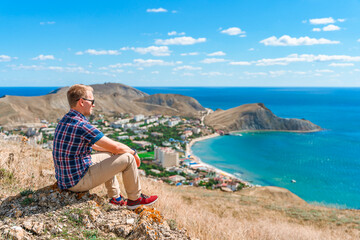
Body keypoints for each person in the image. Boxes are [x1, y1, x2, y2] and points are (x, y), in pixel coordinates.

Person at [52, 84, 158, 209]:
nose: (94, 105)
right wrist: (133, 154)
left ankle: (116, 198)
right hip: (78, 182)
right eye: (92, 101)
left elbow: (97, 146)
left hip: (66, 179)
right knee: (128, 159)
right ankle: (135, 199)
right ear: (81, 102)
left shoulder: (66, 119)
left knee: (108, 154)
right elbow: (117, 147)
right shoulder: (81, 125)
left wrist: (114, 152)